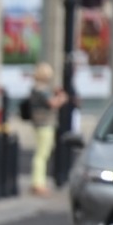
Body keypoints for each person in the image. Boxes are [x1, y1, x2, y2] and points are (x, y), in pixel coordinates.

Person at [28, 62, 67, 196]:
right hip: (45, 124)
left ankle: (38, 182)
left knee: (40, 153)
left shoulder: (35, 88)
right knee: (42, 154)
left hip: (38, 123)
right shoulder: (42, 90)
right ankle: (38, 183)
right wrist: (61, 97)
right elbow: (53, 103)